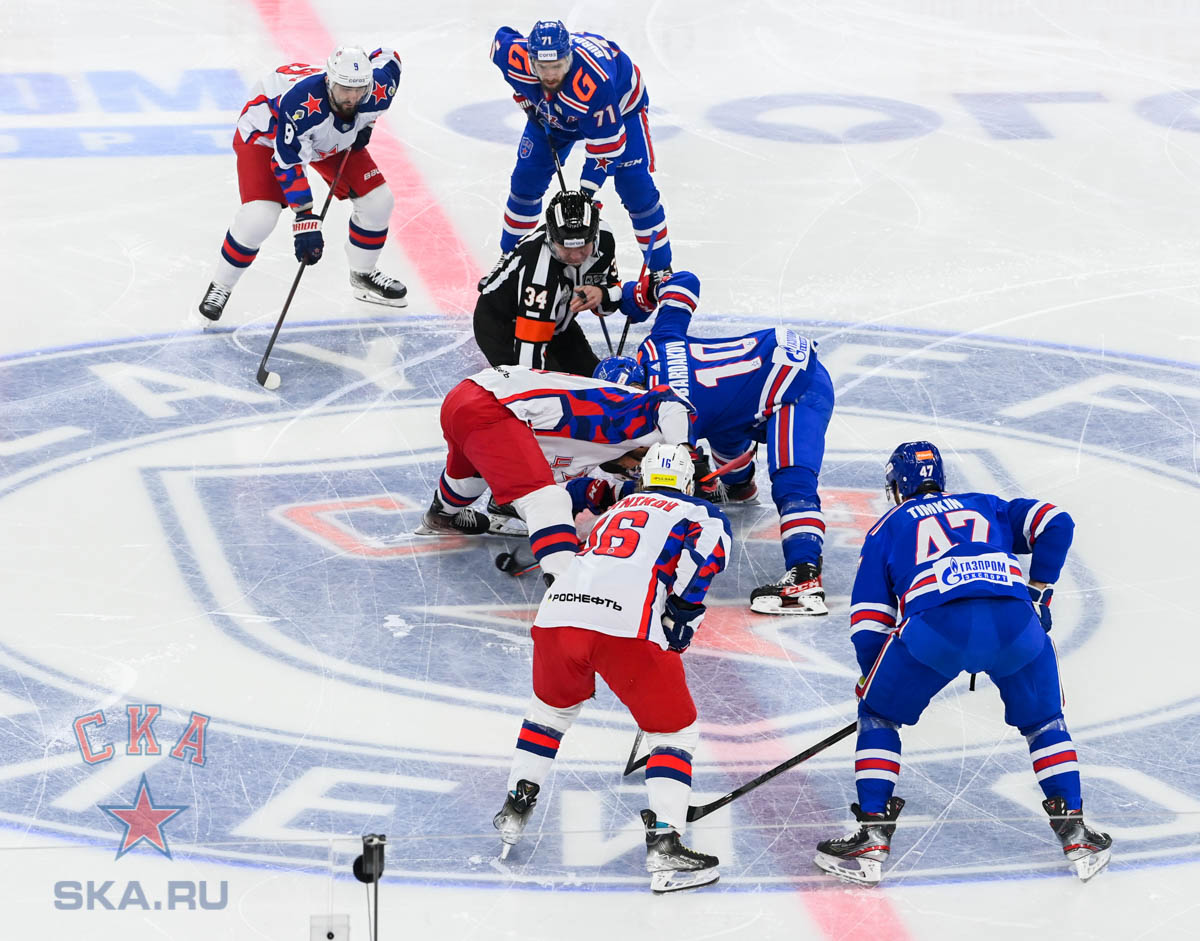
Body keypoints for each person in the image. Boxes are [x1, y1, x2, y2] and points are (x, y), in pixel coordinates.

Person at [813, 441, 1112, 886]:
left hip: (936, 628)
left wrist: (876, 681)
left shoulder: (887, 527)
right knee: (1045, 723)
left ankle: (873, 835)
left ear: (897, 486)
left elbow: (869, 623)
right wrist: (1040, 591)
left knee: (878, 717)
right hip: (1016, 624)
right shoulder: (985, 504)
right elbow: (1056, 521)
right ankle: (1076, 833)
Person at [492, 443, 731, 893]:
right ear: (687, 480)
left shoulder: (615, 511)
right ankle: (665, 842)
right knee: (673, 734)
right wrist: (680, 622)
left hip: (557, 616)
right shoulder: (700, 513)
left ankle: (515, 805)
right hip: (625, 627)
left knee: (550, 712)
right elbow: (701, 567)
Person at [594, 270, 835, 616]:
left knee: (792, 480)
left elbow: (669, 494)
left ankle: (805, 577)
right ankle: (739, 484)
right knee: (724, 421)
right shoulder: (655, 344)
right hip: (776, 357)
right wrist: (633, 295)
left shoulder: (672, 418)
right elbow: (684, 281)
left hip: (797, 387)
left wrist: (618, 494)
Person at [419, 365, 694, 581]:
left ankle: (441, 516)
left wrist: (624, 494)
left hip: (467, 399)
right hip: (493, 408)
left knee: (472, 472)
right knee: (547, 500)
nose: (634, 469)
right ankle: (566, 589)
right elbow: (670, 402)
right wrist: (685, 454)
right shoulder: (633, 414)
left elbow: (583, 487)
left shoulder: (609, 447)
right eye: (643, 461)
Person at [197, 46, 408, 322]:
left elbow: (390, 56)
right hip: (267, 135)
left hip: (324, 135)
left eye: (360, 90)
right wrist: (305, 218)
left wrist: (366, 124)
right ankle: (221, 285)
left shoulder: (378, 89)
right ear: (329, 82)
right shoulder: (300, 105)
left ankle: (363, 274)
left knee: (379, 201)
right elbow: (288, 164)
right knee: (260, 216)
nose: (353, 98)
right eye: (345, 89)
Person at [486, 21, 672, 287]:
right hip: (552, 113)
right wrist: (524, 96)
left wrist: (586, 195)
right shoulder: (513, 57)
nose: (550, 75)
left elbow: (607, 147)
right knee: (525, 181)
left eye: (558, 66)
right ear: (530, 60)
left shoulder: (595, 83)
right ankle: (510, 260)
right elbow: (501, 39)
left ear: (570, 57)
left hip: (621, 107)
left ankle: (661, 271)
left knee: (635, 186)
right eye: (542, 67)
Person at [475, 190, 622, 376]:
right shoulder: (539, 271)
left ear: (595, 236)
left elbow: (611, 300)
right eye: (566, 249)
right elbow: (529, 360)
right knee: (552, 386)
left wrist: (601, 294)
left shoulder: (605, 239)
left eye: (583, 247)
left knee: (593, 380)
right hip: (505, 327)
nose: (576, 257)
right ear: (551, 239)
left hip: (557, 322)